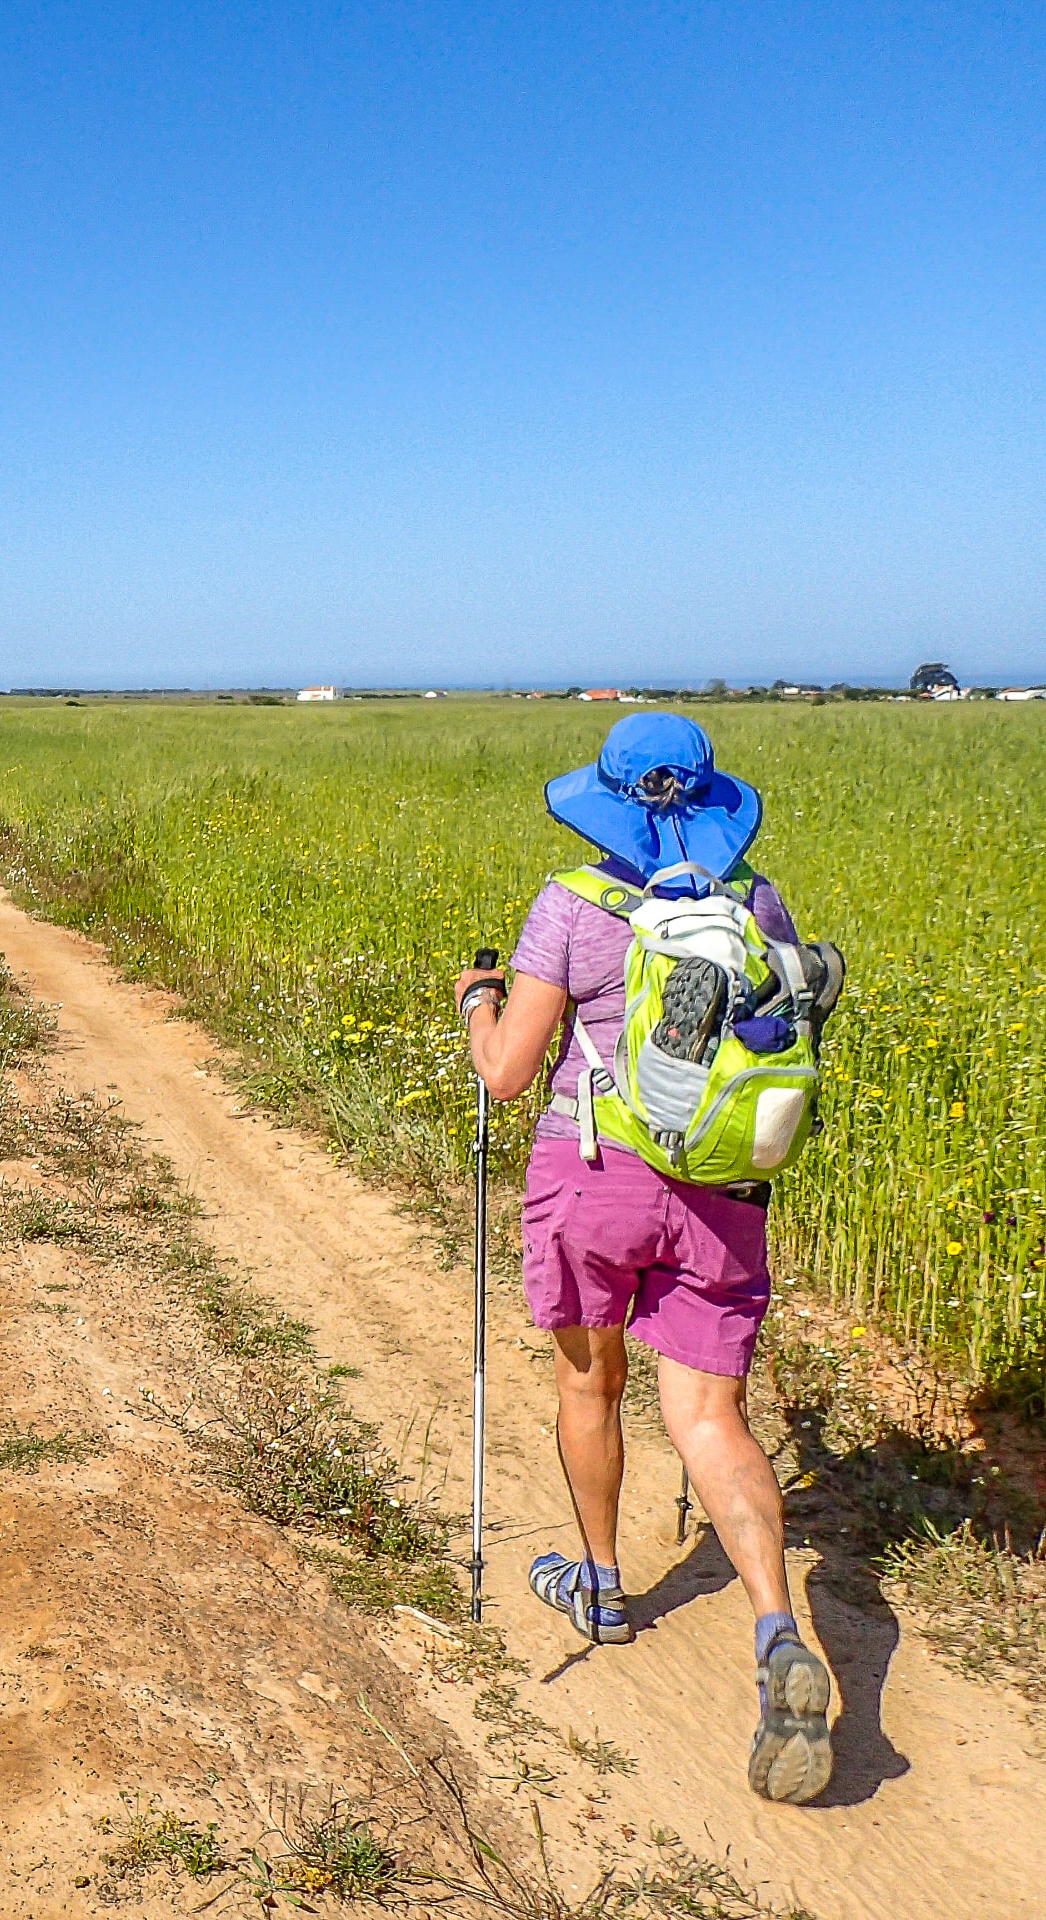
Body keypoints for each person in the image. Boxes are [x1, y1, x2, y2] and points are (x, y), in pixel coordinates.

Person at [454, 711, 835, 1806]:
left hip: (595, 1174)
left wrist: (480, 1004)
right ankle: (774, 1632)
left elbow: (510, 1074)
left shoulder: (572, 903)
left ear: (607, 802)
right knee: (711, 1418)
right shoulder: (755, 901)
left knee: (591, 1380)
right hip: (722, 1187)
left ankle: (604, 1588)